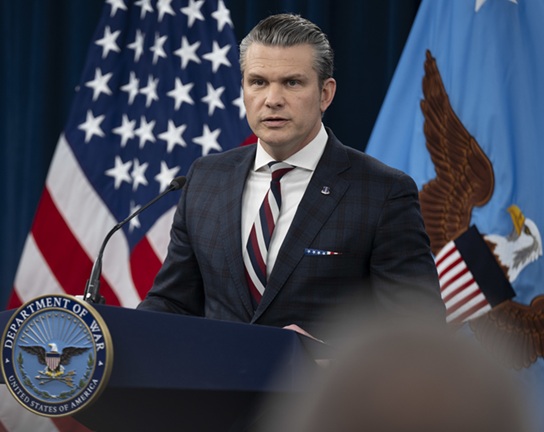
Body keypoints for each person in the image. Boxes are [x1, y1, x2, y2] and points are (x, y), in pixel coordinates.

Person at [138, 14, 444, 338]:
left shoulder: (383, 193)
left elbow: (419, 330)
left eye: (292, 83)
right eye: (258, 82)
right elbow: (172, 303)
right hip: (215, 372)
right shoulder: (205, 178)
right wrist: (116, 334)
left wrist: (327, 357)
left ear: (325, 94)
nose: (272, 100)